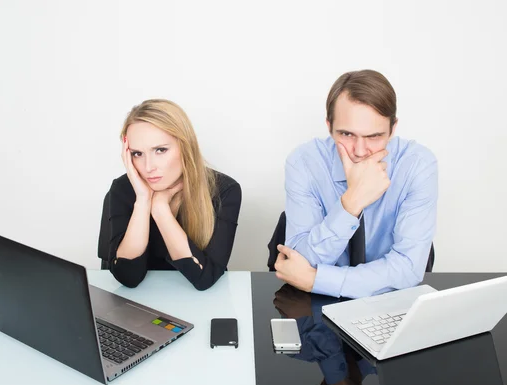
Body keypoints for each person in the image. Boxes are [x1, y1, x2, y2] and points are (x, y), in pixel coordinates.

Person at [275, 70, 438, 298]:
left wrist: (315, 279)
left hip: (388, 303)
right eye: (347, 134)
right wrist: (353, 202)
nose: (360, 152)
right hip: (313, 305)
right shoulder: (303, 163)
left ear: (393, 129)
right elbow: (298, 260)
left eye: (374, 136)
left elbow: (407, 269)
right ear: (329, 125)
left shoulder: (417, 165)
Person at [107, 99, 242, 290]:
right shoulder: (123, 189)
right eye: (137, 154)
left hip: (202, 305)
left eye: (160, 150)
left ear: (185, 146)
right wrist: (144, 202)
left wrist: (161, 210)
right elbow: (128, 277)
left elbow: (205, 278)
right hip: (143, 305)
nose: (148, 167)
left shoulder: (224, 190)